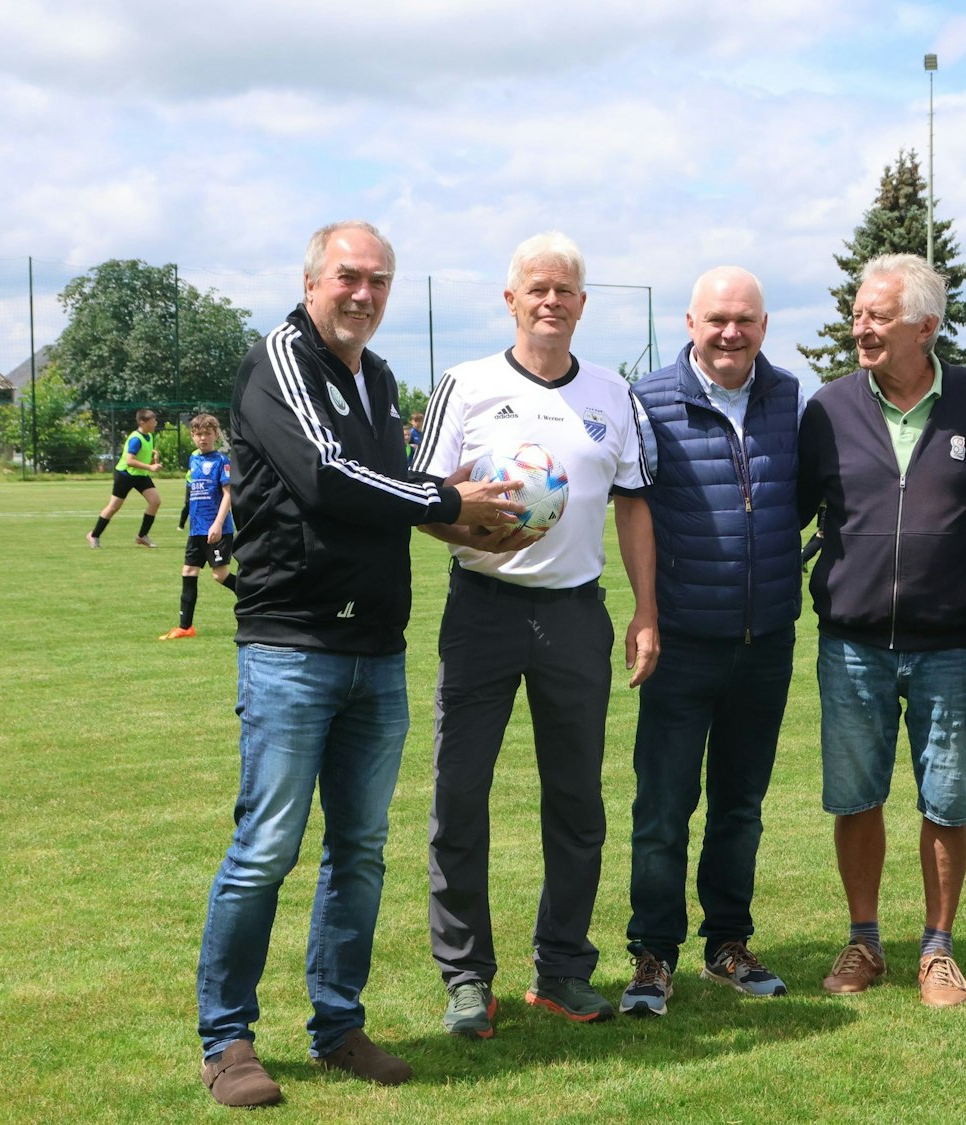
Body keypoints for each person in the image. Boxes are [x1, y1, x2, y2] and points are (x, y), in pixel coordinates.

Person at [194, 220, 523, 1108]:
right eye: (349, 277)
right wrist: (448, 495)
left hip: (376, 652)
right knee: (266, 848)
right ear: (312, 281)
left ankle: (337, 1024)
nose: (364, 294)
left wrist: (471, 520)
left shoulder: (376, 377)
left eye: (378, 280)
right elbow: (326, 476)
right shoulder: (279, 361)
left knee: (360, 852)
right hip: (292, 647)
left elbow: (391, 501)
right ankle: (226, 1040)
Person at [412, 231, 658, 1036]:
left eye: (565, 290)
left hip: (575, 615)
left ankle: (562, 968)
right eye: (538, 288)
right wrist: (470, 529)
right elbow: (425, 498)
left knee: (578, 799)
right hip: (482, 611)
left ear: (582, 304)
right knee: (459, 794)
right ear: (511, 299)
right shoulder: (467, 384)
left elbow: (634, 504)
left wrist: (646, 611)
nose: (551, 301)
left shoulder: (613, 393)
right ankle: (466, 978)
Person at [796, 254, 966, 1008]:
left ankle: (937, 948)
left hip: (950, 646)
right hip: (851, 645)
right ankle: (864, 939)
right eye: (857, 314)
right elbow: (791, 512)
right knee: (855, 796)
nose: (861, 328)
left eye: (877, 316)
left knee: (947, 799)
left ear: (925, 326)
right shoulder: (828, 408)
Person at [617, 266, 802, 1018]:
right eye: (717, 319)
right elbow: (633, 507)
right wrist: (646, 611)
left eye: (745, 320)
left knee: (740, 806)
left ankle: (728, 942)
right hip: (682, 641)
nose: (731, 333)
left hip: (767, 641)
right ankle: (653, 953)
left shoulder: (789, 396)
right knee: (663, 806)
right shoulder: (649, 399)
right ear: (690, 323)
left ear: (764, 326)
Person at [161, 413, 237, 641]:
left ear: (216, 435)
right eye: (198, 434)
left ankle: (258, 598)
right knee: (188, 571)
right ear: (192, 436)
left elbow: (228, 495)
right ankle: (185, 627)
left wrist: (217, 524)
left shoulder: (222, 461)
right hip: (197, 529)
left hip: (217, 529)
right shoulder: (193, 460)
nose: (203, 438)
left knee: (220, 576)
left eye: (207, 433)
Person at [89, 409, 162, 547]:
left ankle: (142, 536)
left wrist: (153, 458)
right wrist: (150, 467)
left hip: (140, 475)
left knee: (155, 501)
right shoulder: (135, 439)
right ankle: (94, 535)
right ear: (142, 422)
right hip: (125, 475)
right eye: (153, 421)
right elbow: (129, 461)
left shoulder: (149, 436)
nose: (155, 423)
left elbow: (143, 455)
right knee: (114, 507)